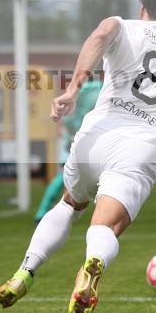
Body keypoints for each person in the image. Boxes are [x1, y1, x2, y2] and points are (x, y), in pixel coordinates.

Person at [0, 0, 156, 313]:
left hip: (95, 136)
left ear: (143, 6)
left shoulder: (121, 25)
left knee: (70, 203)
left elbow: (99, 37)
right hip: (138, 148)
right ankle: (94, 263)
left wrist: (73, 89)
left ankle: (25, 271)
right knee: (106, 227)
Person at [33, 79, 103, 223]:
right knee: (67, 179)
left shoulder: (78, 90)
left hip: (74, 140)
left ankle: (43, 211)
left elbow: (66, 118)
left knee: (62, 179)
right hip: (82, 140)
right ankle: (45, 212)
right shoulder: (97, 89)